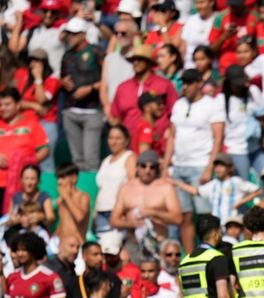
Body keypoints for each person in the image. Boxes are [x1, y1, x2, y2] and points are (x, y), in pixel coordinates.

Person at [165, 69, 225, 253]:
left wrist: (209, 167)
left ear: (199, 83)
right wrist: (166, 164)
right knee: (185, 215)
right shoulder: (179, 104)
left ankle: (212, 253)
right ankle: (192, 257)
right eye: (183, 83)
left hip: (200, 164)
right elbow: (172, 136)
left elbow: (218, 137)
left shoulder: (212, 105)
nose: (186, 87)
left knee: (206, 215)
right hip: (180, 165)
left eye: (190, 82)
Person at [110, 151, 182, 259]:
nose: (147, 171)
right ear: (137, 168)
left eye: (152, 167)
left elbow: (178, 218)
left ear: (157, 169)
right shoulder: (126, 188)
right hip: (133, 244)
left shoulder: (166, 188)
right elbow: (113, 220)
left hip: (158, 243)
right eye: (143, 166)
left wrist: (153, 213)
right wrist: (131, 223)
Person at [0, 233, 65, 298]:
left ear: (33, 251)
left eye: (24, 250)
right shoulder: (12, 277)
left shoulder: (49, 277)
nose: (19, 254)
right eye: (18, 250)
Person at [60, 16, 104, 172]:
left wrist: (90, 88)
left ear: (83, 34)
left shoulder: (96, 52)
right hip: (71, 110)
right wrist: (63, 82)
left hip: (92, 110)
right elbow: (63, 77)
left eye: (74, 34)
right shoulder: (67, 55)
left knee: (91, 160)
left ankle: (91, 194)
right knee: (77, 160)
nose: (70, 37)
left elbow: (107, 78)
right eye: (69, 34)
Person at [172, 152, 261, 222]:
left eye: (222, 165)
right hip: (217, 224)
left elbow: (257, 190)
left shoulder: (236, 181)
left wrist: (241, 202)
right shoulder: (213, 184)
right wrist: (178, 183)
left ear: (230, 168)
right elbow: (197, 191)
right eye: (216, 166)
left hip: (232, 223)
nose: (218, 169)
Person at [0, 88, 50, 211]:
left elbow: (45, 150)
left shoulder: (31, 124)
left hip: (21, 185)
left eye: (7, 104)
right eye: (0, 105)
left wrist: (26, 163)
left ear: (18, 105)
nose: (3, 108)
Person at [110, 44, 177, 135]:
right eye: (134, 60)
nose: (136, 63)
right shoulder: (123, 87)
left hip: (157, 141)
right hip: (130, 141)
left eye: (140, 59)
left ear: (149, 62)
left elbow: (175, 113)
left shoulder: (164, 85)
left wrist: (169, 132)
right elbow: (116, 116)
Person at [221, 64, 264, 180]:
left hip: (257, 146)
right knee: (243, 184)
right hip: (236, 149)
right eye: (236, 84)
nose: (240, 86)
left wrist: (260, 115)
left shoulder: (253, 92)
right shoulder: (221, 101)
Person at [95, 125, 136, 235]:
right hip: (101, 211)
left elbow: (132, 185)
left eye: (118, 138)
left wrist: (126, 211)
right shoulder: (106, 160)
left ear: (126, 140)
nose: (113, 142)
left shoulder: (129, 157)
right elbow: (101, 188)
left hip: (117, 212)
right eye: (111, 138)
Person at [208, 0, 260, 72]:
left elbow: (260, 43)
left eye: (236, 6)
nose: (233, 8)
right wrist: (224, 36)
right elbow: (211, 49)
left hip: (250, 63)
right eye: (232, 6)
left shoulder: (254, 17)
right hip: (228, 62)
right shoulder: (220, 17)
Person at [7, 164, 55, 229]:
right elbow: (9, 219)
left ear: (38, 181)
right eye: (26, 178)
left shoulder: (44, 196)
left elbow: (51, 218)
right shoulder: (16, 197)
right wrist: (15, 220)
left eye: (32, 179)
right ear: (21, 180)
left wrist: (41, 216)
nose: (29, 183)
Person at [55, 163, 91, 245]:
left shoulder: (83, 196)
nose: (59, 182)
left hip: (77, 245)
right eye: (58, 178)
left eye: (63, 178)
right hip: (62, 245)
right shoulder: (61, 200)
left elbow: (80, 217)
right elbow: (64, 223)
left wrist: (67, 197)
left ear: (74, 178)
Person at [181, 0, 216, 69]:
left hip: (210, 66)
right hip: (190, 65)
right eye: (197, 3)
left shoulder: (217, 19)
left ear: (211, 3)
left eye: (202, 3)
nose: (199, 6)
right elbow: (183, 45)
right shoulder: (191, 20)